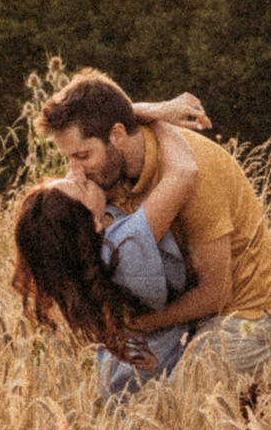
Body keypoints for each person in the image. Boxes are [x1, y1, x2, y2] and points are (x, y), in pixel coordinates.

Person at [37, 69, 271, 376]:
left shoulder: (194, 170)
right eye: (69, 158)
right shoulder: (102, 175)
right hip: (181, 317)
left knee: (177, 399)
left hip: (246, 316)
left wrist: (137, 324)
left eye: (82, 156)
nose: (76, 171)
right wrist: (156, 111)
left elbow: (216, 293)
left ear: (117, 136)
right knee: (122, 392)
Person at [11, 101, 203, 396]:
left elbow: (95, 132)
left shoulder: (83, 250)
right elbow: (185, 171)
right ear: (89, 223)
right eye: (77, 186)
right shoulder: (125, 247)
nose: (77, 173)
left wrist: (117, 121)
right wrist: (158, 119)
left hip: (123, 373)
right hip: (148, 380)